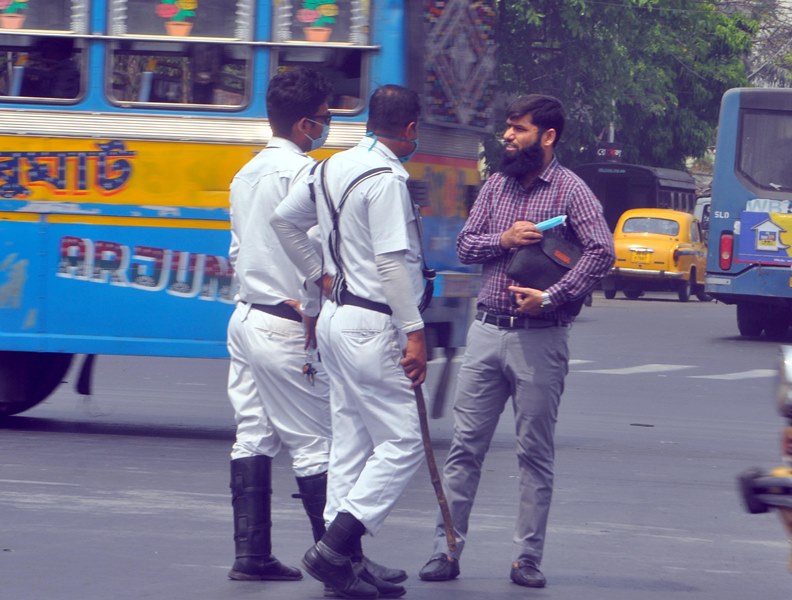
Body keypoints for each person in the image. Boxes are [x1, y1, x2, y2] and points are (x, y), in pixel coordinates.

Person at [417, 94, 615, 588]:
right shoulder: (496, 187)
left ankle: (526, 559)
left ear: (547, 137)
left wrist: (551, 296)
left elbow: (602, 251)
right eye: (507, 128)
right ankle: (446, 549)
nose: (508, 136)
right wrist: (505, 240)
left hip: (540, 339)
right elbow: (465, 245)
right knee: (464, 448)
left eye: (519, 129)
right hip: (485, 332)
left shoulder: (571, 191)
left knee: (534, 454)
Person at [271, 84, 428, 599]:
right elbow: (391, 263)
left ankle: (347, 567)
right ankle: (336, 546)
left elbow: (284, 221)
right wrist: (415, 332)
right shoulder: (385, 180)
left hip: (338, 316)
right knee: (403, 442)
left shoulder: (330, 165)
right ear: (408, 130)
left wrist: (320, 276)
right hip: (371, 323)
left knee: (353, 440)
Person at [225, 66, 334, 583]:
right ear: (306, 125)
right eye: (327, 118)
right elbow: (316, 249)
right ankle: (338, 560)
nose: (330, 125)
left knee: (253, 434)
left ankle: (252, 555)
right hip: (287, 323)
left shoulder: (244, 174)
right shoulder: (306, 175)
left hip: (245, 317)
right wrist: (314, 305)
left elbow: (237, 252)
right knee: (315, 441)